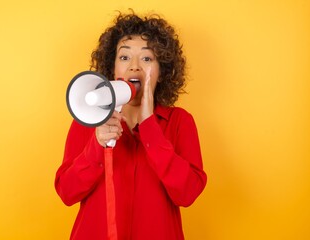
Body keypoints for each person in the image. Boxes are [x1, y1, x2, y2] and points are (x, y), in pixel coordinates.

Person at [55, 10, 207, 240]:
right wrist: (96, 145)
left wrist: (150, 129)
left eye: (147, 58)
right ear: (112, 68)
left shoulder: (180, 122)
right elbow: (67, 192)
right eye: (124, 57)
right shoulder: (88, 119)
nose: (134, 67)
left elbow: (187, 194)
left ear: (162, 71)